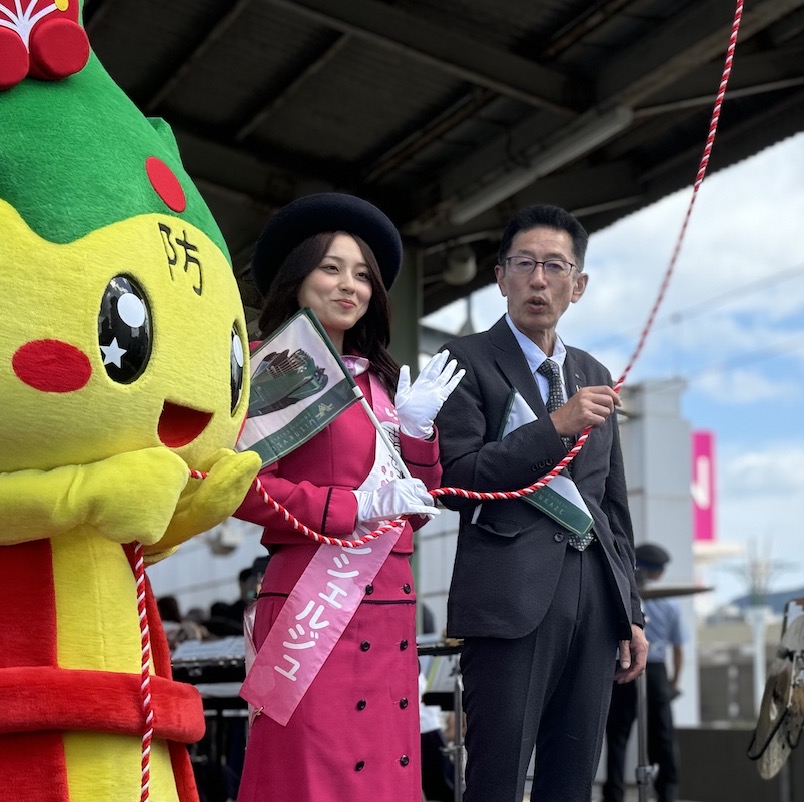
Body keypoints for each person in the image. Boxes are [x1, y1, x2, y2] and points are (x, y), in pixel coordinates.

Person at [234, 192, 463, 802]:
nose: (349, 286)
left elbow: (418, 501)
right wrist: (348, 509)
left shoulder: (382, 380)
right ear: (297, 277)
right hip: (314, 603)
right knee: (312, 773)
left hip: (388, 606)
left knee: (385, 776)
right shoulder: (275, 368)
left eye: (363, 275)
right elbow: (242, 488)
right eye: (331, 268)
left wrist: (417, 435)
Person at [434, 203, 648, 802]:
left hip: (595, 606)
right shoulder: (463, 361)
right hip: (507, 601)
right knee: (497, 781)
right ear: (499, 276)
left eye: (556, 266)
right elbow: (455, 480)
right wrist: (554, 425)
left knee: (572, 781)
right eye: (524, 263)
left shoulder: (593, 372)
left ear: (577, 286)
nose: (538, 279)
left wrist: (630, 610)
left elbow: (612, 508)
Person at [603, 543, 685, 802]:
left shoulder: (623, 598)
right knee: (663, 736)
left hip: (625, 665)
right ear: (656, 572)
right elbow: (678, 648)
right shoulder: (670, 605)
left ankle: (613, 794)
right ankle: (667, 791)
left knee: (617, 736)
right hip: (657, 671)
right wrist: (673, 683)